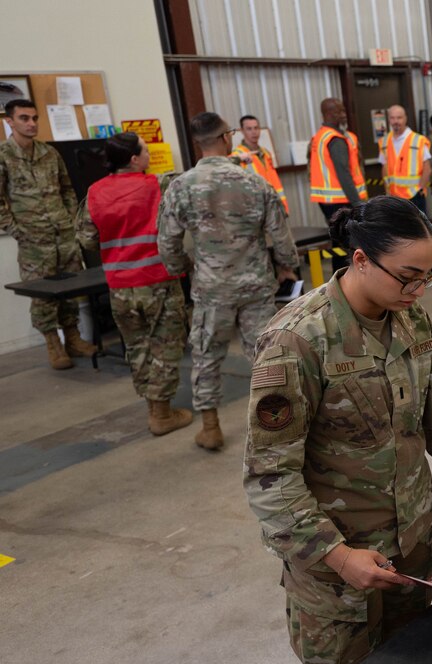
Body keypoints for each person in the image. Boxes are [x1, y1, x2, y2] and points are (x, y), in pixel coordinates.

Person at [245, 195, 432, 664]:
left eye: (430, 274)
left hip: (412, 557)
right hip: (341, 573)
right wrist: (337, 557)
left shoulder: (415, 323)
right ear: (360, 259)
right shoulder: (298, 340)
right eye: (408, 276)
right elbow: (270, 475)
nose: (420, 289)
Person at [159, 112, 298, 451]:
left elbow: (167, 242)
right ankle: (277, 423)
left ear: (197, 142)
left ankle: (210, 427)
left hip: (211, 289)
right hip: (256, 287)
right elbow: (281, 236)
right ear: (226, 138)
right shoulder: (253, 183)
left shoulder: (179, 186)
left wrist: (185, 268)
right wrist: (286, 267)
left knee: (207, 354)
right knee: (266, 354)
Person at [75, 132, 192, 436]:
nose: (150, 155)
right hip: (158, 283)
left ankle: (153, 407)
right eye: (146, 150)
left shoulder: (95, 192)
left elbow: (86, 239)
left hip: (120, 287)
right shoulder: (156, 186)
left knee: (137, 346)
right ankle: (163, 414)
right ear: (133, 159)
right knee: (166, 347)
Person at [0, 98, 96, 369]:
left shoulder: (50, 153)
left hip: (62, 233)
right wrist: (16, 229)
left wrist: (69, 219)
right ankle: (53, 344)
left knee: (71, 287)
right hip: (33, 239)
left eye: (34, 118)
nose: (31, 124)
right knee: (42, 293)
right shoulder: (3, 156)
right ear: (10, 121)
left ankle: (74, 339)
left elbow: (67, 189)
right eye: (24, 119)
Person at [309, 97, 367, 271]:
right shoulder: (335, 139)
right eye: (340, 111)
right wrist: (357, 203)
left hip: (327, 200)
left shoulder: (319, 136)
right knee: (347, 242)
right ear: (328, 113)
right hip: (340, 199)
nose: (344, 115)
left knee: (337, 239)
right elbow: (344, 173)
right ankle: (345, 278)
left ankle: (339, 276)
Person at [379, 104, 431, 216]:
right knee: (400, 230)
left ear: (405, 118)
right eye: (392, 118)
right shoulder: (384, 141)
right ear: (389, 120)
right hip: (394, 197)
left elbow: (427, 168)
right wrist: (387, 190)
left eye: (399, 117)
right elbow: (384, 166)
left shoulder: (418, 140)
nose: (395, 121)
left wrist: (420, 189)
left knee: (418, 229)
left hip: (414, 195)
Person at [233, 115, 288, 214]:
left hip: (273, 203)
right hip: (255, 208)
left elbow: (273, 180)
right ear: (242, 131)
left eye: (256, 128)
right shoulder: (238, 155)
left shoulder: (266, 153)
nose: (254, 132)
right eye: (249, 129)